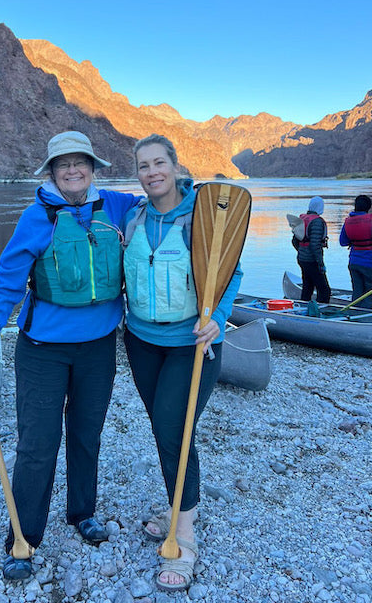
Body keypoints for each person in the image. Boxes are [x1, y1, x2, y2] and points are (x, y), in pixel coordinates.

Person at [0, 131, 140, 580]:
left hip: (99, 348)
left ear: (93, 168)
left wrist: (195, 192)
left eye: (81, 162)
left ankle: (81, 512)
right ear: (52, 172)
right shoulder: (34, 218)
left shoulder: (115, 207)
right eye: (64, 164)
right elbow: (7, 283)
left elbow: (163, 204)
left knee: (86, 435)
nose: (73, 170)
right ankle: (23, 539)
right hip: (42, 351)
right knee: (38, 445)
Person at [121, 134, 243, 592]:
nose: (152, 172)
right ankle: (177, 504)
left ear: (175, 165)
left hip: (192, 345)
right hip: (140, 341)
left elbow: (232, 273)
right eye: (143, 166)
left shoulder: (200, 216)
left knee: (175, 427)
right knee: (163, 429)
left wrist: (219, 317)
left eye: (159, 163)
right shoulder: (131, 218)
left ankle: (184, 533)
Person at [339, 194, 372, 308]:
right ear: (368, 207)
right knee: (369, 293)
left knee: (357, 292)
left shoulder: (348, 222)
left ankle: (354, 314)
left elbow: (343, 242)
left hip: (354, 263)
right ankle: (364, 319)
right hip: (370, 263)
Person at [294, 195, 331, 303]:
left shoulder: (301, 219)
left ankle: (305, 308)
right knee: (324, 290)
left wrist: (301, 251)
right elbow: (315, 245)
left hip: (302, 258)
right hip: (312, 260)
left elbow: (294, 241)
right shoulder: (317, 222)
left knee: (308, 286)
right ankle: (320, 312)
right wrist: (320, 263)